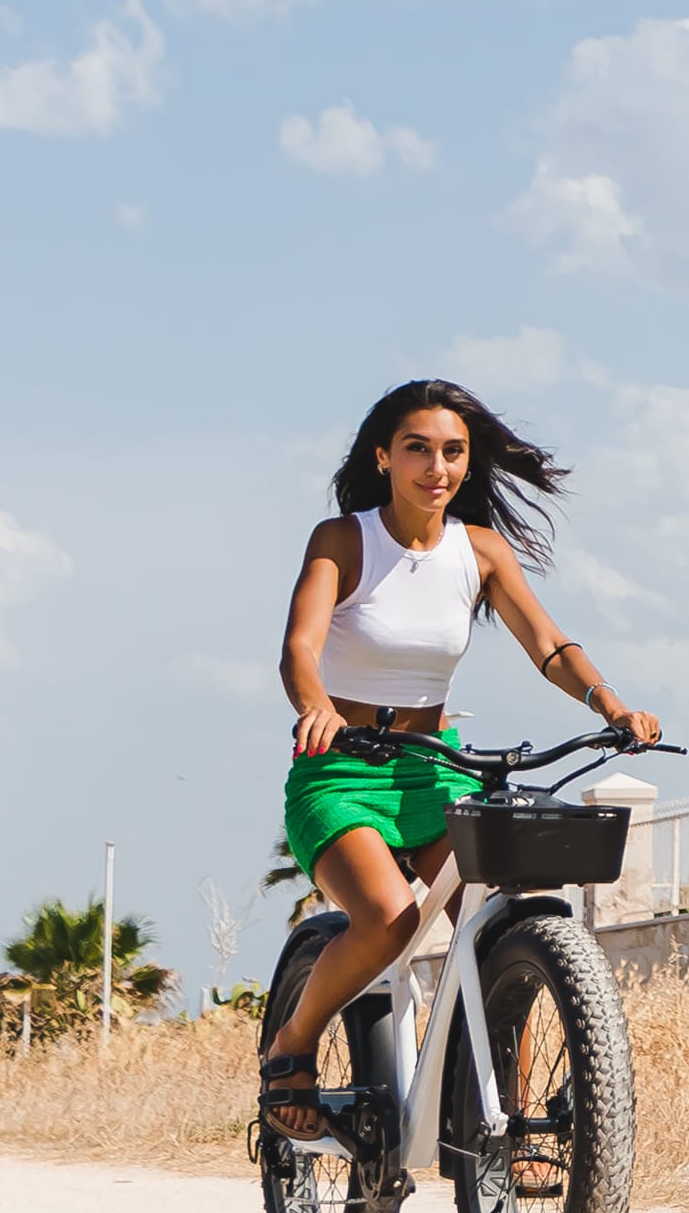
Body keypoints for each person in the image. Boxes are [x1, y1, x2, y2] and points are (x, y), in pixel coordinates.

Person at [265, 383, 661, 1140]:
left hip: (433, 769)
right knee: (388, 918)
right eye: (417, 449)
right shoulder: (343, 540)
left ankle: (497, 1110)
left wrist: (610, 704)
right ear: (383, 457)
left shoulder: (478, 550)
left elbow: (548, 645)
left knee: (493, 927)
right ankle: (294, 1042)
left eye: (453, 452)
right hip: (341, 771)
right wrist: (315, 706)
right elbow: (300, 648)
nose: (436, 467)